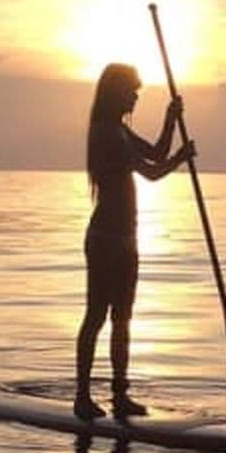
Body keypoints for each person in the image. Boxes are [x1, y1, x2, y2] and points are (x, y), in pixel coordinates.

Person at [75, 63, 195, 420]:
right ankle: (82, 396)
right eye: (131, 91)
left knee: (123, 320)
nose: (135, 96)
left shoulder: (121, 132)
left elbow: (155, 154)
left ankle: (119, 395)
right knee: (97, 316)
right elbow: (154, 171)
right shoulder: (106, 134)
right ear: (115, 92)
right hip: (105, 241)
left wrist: (171, 119)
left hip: (127, 241)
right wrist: (181, 158)